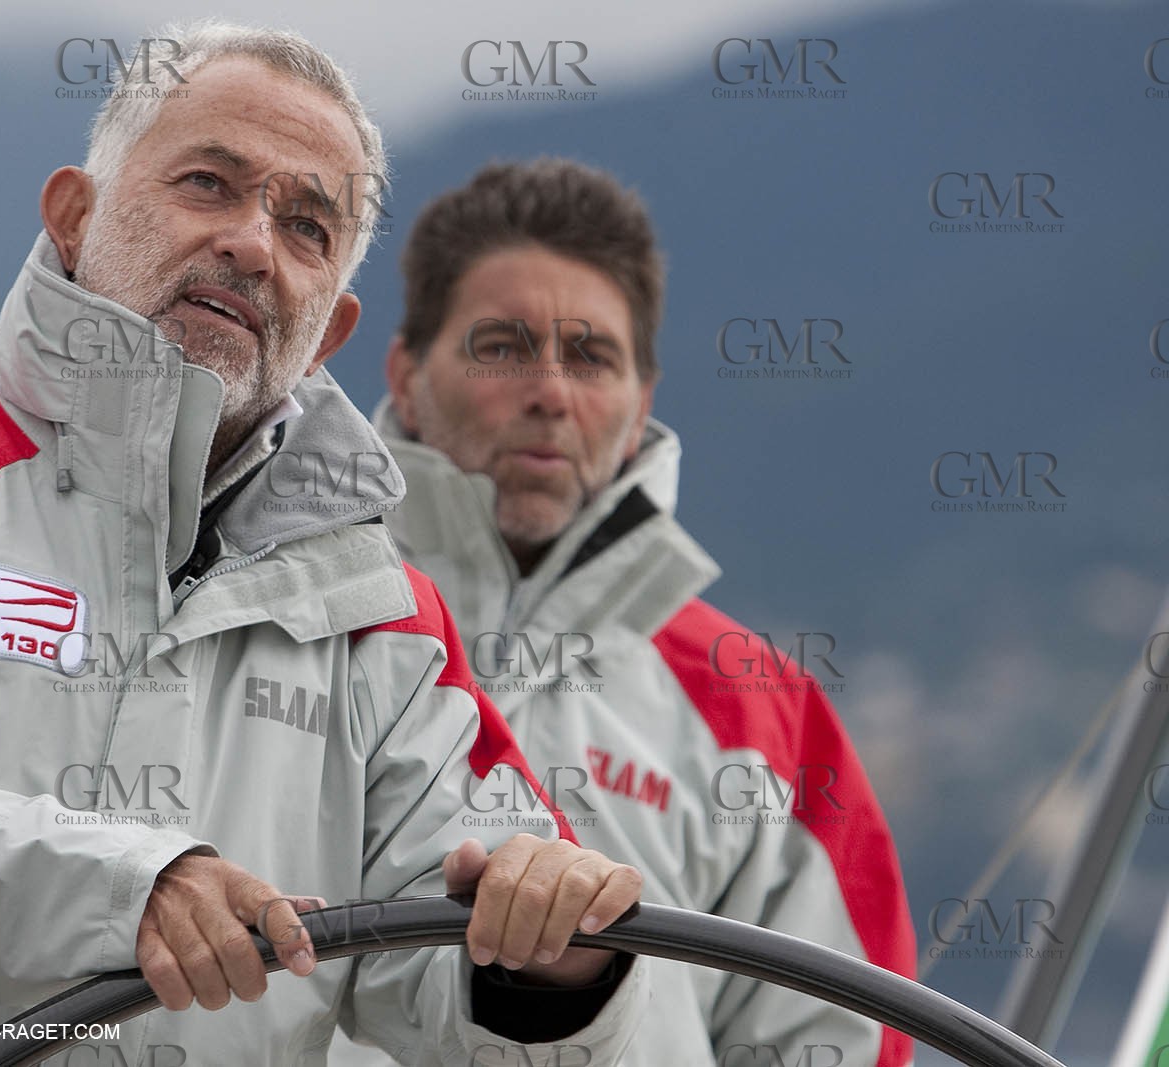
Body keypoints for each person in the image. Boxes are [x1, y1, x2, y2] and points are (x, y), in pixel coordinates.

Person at [0, 28, 647, 1067]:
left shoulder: (388, 622)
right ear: (74, 216)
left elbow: (470, 1000)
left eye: (305, 226)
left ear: (328, 329)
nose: (251, 243)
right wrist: (114, 886)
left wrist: (550, 960)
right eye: (208, 182)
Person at [348, 158, 917, 1066]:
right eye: (502, 344)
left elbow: (847, 1038)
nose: (551, 391)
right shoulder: (288, 611)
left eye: (591, 356)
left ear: (641, 403)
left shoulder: (763, 705)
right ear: (407, 374)